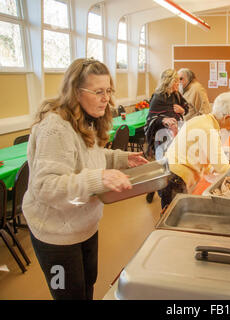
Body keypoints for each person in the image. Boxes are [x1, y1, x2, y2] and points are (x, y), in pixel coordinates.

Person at [22, 58, 148, 300]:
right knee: (70, 295)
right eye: (98, 92)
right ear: (76, 92)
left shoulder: (85, 119)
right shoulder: (55, 128)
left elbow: (90, 156)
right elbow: (45, 186)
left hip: (84, 225)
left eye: (108, 91)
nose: (106, 98)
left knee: (87, 284)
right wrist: (98, 178)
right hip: (56, 235)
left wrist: (120, 159)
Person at [163, 91, 230, 208]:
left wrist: (210, 169)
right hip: (175, 176)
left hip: (168, 170)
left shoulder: (202, 120)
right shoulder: (209, 130)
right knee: (172, 212)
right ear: (227, 117)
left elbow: (200, 152)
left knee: (170, 209)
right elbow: (222, 167)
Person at [144, 69, 189, 204]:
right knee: (164, 169)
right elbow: (151, 119)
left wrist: (182, 110)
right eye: (175, 82)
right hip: (161, 138)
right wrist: (163, 120)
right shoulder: (158, 97)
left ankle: (160, 194)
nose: (178, 84)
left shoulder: (176, 95)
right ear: (168, 82)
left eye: (178, 81)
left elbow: (186, 107)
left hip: (175, 135)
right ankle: (161, 199)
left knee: (170, 169)